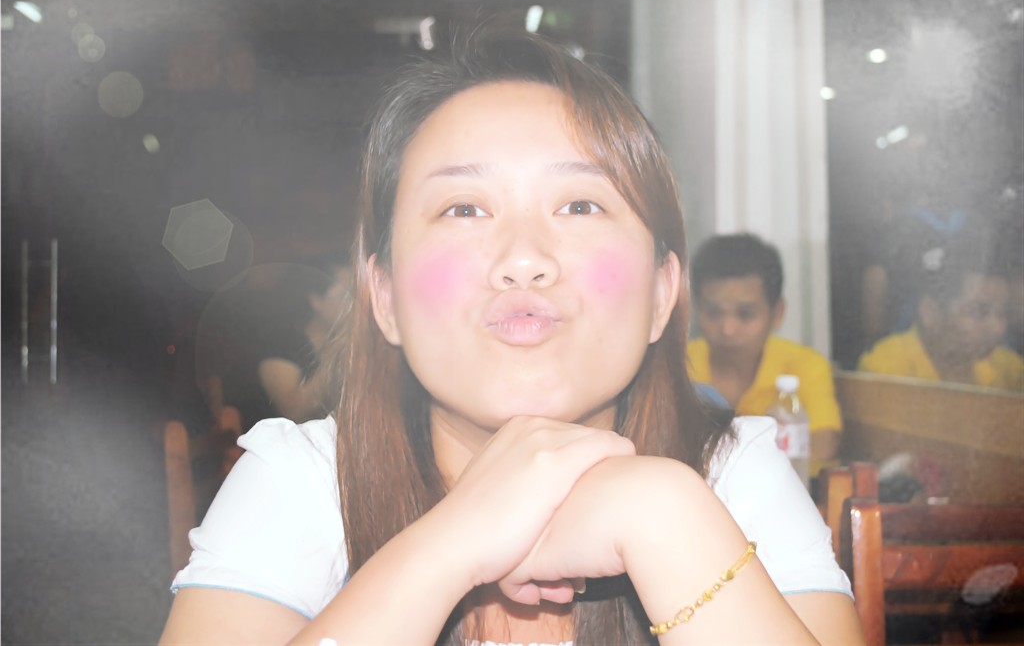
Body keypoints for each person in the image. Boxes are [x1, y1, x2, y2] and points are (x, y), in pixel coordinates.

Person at [161, 32, 863, 645]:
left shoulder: (732, 477)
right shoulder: (306, 481)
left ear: (660, 295)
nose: (524, 257)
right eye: (463, 209)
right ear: (385, 297)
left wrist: (664, 515)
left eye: (580, 205)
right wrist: (451, 542)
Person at [687, 234, 843, 474]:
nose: (728, 329)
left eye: (746, 314)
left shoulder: (805, 366)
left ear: (777, 312)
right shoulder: (679, 364)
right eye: (713, 313)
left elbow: (824, 445)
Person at [858, 239, 1024, 390]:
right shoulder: (886, 370)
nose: (998, 328)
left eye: (1004, 313)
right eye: (979, 312)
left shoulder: (1010, 370)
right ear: (930, 311)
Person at [256, 251, 353, 423]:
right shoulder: (282, 345)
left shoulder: (355, 344)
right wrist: (340, 348)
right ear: (316, 301)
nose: (355, 304)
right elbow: (294, 412)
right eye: (345, 296)